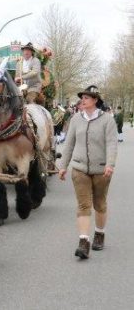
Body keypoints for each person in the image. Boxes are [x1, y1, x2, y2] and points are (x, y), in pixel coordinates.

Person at [58, 85, 117, 259]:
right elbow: (68, 144)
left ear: (95, 100)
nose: (82, 100)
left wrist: (110, 164)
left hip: (101, 169)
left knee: (99, 204)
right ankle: (84, 242)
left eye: (87, 97)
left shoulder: (107, 120)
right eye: (82, 97)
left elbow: (112, 144)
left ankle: (99, 233)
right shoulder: (76, 119)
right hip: (79, 168)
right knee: (83, 205)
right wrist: (62, 166)